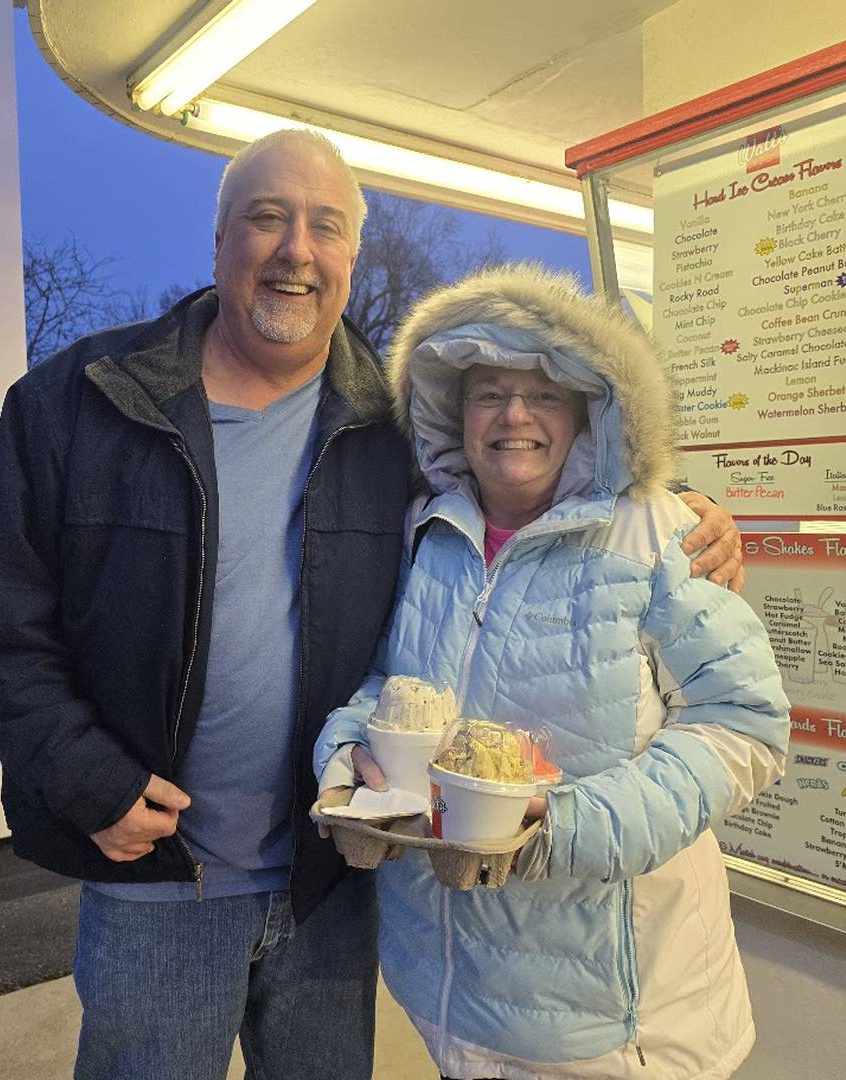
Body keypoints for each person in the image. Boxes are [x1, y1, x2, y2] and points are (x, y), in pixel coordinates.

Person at [0, 129, 745, 1080]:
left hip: (335, 882)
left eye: (324, 227)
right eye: (267, 218)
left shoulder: (390, 429)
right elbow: (0, 640)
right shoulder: (77, 405)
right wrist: (88, 784)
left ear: (350, 259)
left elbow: (534, 470)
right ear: (218, 243)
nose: (296, 249)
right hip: (158, 886)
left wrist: (678, 505)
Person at [315, 264, 790, 1080]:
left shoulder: (659, 535)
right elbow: (388, 684)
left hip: (615, 1022)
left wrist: (563, 824)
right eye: (487, 393)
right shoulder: (427, 537)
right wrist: (348, 753)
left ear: (586, 412)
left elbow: (745, 726)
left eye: (542, 392)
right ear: (453, 415)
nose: (514, 415)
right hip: (449, 990)